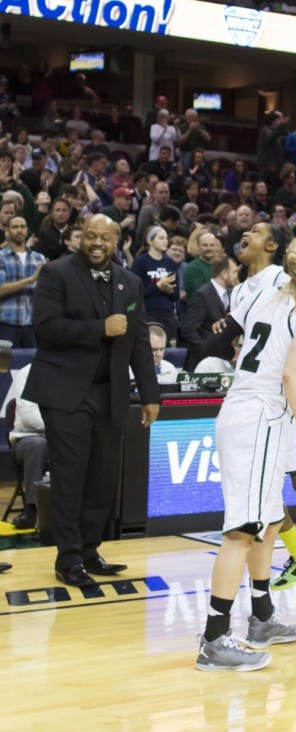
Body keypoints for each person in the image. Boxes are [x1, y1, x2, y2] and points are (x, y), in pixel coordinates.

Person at [195, 233, 296, 672]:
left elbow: (241, 330)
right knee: (242, 530)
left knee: (265, 523)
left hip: (242, 409)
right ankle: (214, 639)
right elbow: (291, 372)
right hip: (261, 415)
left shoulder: (266, 293)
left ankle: (262, 618)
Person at [24, 214, 160, 587]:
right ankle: (67, 558)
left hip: (110, 394)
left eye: (105, 237)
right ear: (80, 237)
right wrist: (98, 328)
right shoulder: (56, 273)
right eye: (90, 236)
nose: (97, 243)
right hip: (65, 392)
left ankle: (88, 549)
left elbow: (139, 342)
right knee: (70, 477)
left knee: (103, 478)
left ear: (117, 240)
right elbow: (46, 330)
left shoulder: (130, 283)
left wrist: (150, 394)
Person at [2, 363, 47, 530]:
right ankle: (32, 509)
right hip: (29, 437)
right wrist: (59, 426)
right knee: (38, 446)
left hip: (64, 434)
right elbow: (29, 417)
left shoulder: (71, 370)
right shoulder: (26, 372)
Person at [181, 255, 238, 368]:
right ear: (224, 274)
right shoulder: (202, 294)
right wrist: (206, 350)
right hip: (200, 363)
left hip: (222, 360)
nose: (236, 276)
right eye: (234, 272)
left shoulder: (232, 294)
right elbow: (189, 330)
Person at [0, 215, 45, 347]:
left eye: (22, 227)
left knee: (30, 366)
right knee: (5, 366)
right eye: (15, 227)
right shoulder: (1, 257)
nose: (19, 230)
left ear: (27, 230)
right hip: (7, 323)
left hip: (33, 323)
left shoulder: (39, 258)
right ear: (7, 231)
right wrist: (31, 279)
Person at [131, 226, 180, 342]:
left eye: (166, 238)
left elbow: (176, 296)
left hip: (168, 314)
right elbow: (135, 292)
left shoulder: (170, 262)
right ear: (150, 241)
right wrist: (158, 286)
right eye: (161, 238)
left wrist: (169, 290)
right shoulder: (140, 262)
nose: (165, 241)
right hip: (148, 314)